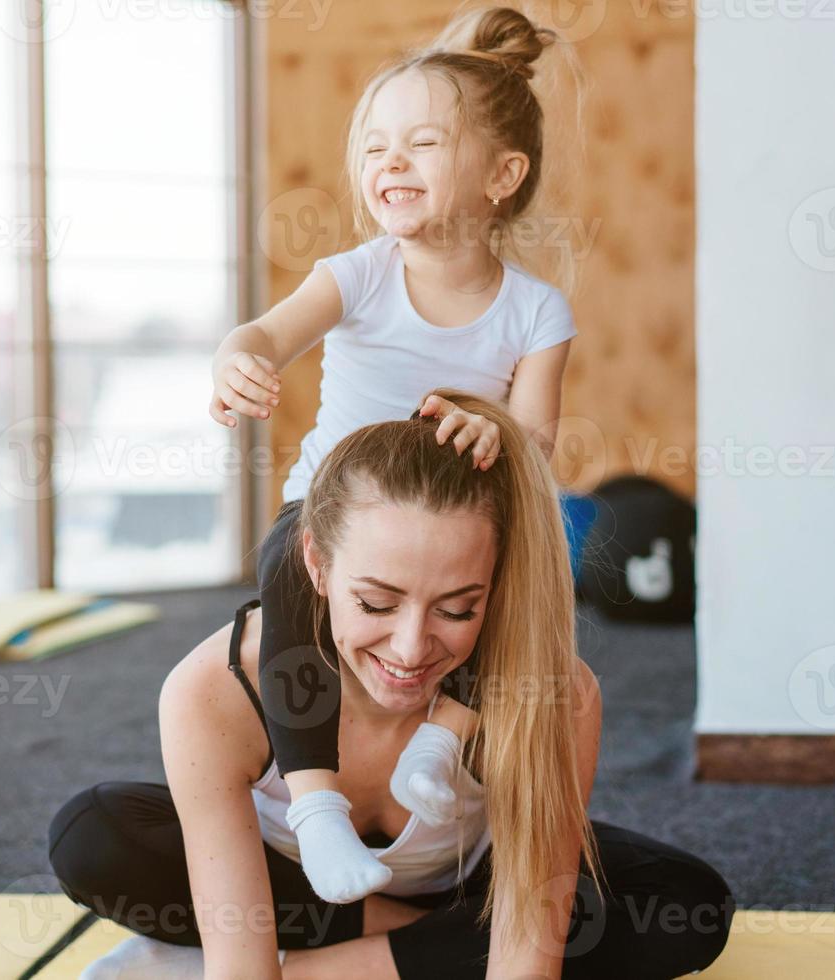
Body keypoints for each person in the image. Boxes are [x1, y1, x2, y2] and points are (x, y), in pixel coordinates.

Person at [48, 391, 735, 979]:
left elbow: (528, 940)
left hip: (465, 888)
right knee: (95, 835)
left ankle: (330, 966)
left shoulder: (552, 691)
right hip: (290, 889)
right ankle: (431, 951)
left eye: (458, 608)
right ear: (315, 562)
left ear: (496, 583)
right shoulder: (216, 689)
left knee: (683, 906)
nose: (411, 649)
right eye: (377, 603)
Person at [208, 4, 588, 903]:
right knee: (287, 579)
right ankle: (316, 806)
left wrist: (498, 430)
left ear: (503, 174)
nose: (390, 163)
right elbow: (265, 333)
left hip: (464, 527)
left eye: (421, 143)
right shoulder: (361, 273)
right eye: (376, 147)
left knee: (531, 575)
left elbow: (535, 440)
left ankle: (442, 738)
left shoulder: (537, 311)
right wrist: (239, 361)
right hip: (334, 517)